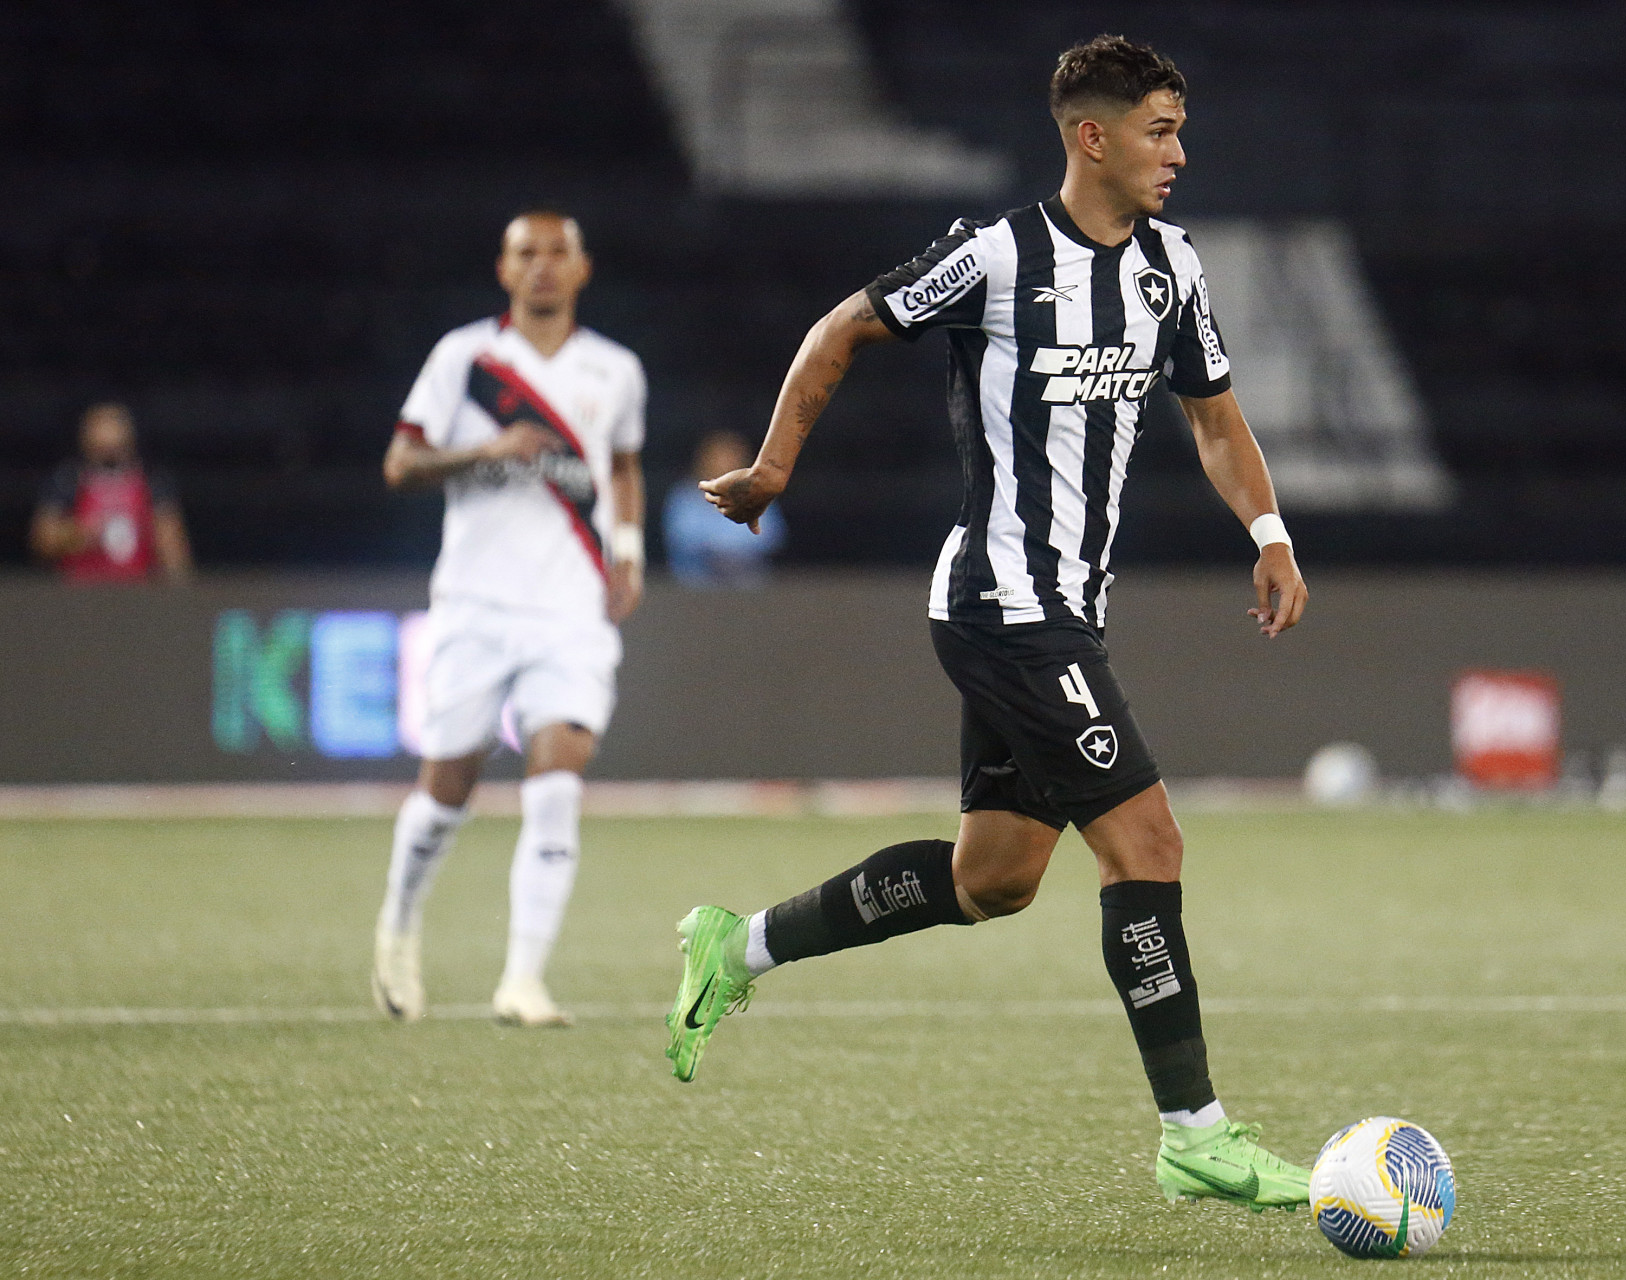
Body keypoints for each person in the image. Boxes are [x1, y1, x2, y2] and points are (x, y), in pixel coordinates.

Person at [667, 36, 1313, 1211]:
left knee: (996, 878)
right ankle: (1196, 1131)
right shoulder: (997, 256)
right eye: (1160, 130)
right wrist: (770, 468)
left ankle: (739, 942)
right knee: (1149, 843)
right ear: (1093, 136)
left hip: (1063, 610)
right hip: (1004, 605)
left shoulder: (1172, 265)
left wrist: (1269, 534)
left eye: (1181, 129)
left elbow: (1216, 418)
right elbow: (840, 330)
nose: (1179, 152)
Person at [372, 209, 648, 1028]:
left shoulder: (616, 371)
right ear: (503, 270)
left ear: (581, 268)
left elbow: (624, 462)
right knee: (447, 787)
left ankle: (523, 980)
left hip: (569, 609)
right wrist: (484, 452)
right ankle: (399, 920)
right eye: (526, 254)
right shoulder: (465, 359)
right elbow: (400, 464)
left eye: (557, 252)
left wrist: (626, 548)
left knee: (559, 776)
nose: (542, 267)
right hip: (475, 604)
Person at [31, 402, 193, 584]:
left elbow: (172, 547)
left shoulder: (153, 481)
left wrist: (177, 587)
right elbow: (43, 540)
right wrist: (80, 534)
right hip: (79, 590)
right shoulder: (66, 480)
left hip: (139, 590)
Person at [663, 429, 787, 587]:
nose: (724, 463)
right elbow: (680, 538)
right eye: (718, 457)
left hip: (749, 589)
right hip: (695, 589)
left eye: (731, 457)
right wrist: (716, 556)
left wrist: (735, 558)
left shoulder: (759, 496)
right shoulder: (684, 497)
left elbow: (772, 537)